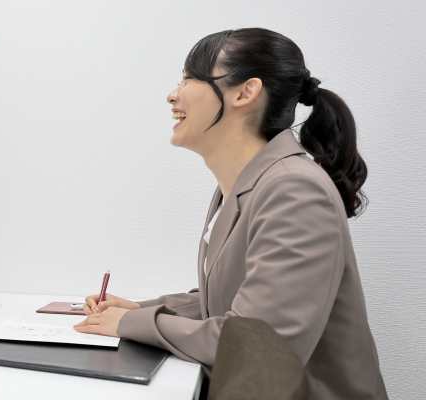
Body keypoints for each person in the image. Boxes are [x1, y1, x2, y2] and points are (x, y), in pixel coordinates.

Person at [75, 28, 387, 399]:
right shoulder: (246, 184)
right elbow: (229, 302)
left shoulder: (295, 190)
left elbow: (259, 345)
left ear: (245, 92)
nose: (173, 94)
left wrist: (132, 323)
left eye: (189, 79)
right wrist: (140, 309)